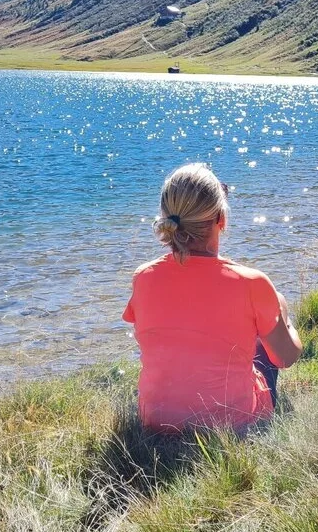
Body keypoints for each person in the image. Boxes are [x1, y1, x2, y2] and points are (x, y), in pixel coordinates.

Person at [122, 163, 303, 433]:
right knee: (266, 329)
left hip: (155, 420)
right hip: (231, 424)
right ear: (221, 219)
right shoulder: (251, 283)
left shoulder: (143, 277)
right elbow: (286, 357)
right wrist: (284, 316)